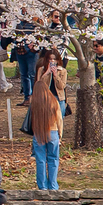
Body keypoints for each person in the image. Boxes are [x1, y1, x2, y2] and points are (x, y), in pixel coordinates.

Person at [31, 49, 66, 190]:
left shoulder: (35, 103)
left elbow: (61, 86)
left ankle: (43, 186)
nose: (52, 62)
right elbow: (59, 120)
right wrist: (60, 135)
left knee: (40, 159)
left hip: (39, 132)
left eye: (55, 59)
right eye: (50, 59)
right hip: (52, 132)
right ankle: (53, 185)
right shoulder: (54, 103)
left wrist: (56, 75)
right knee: (53, 158)